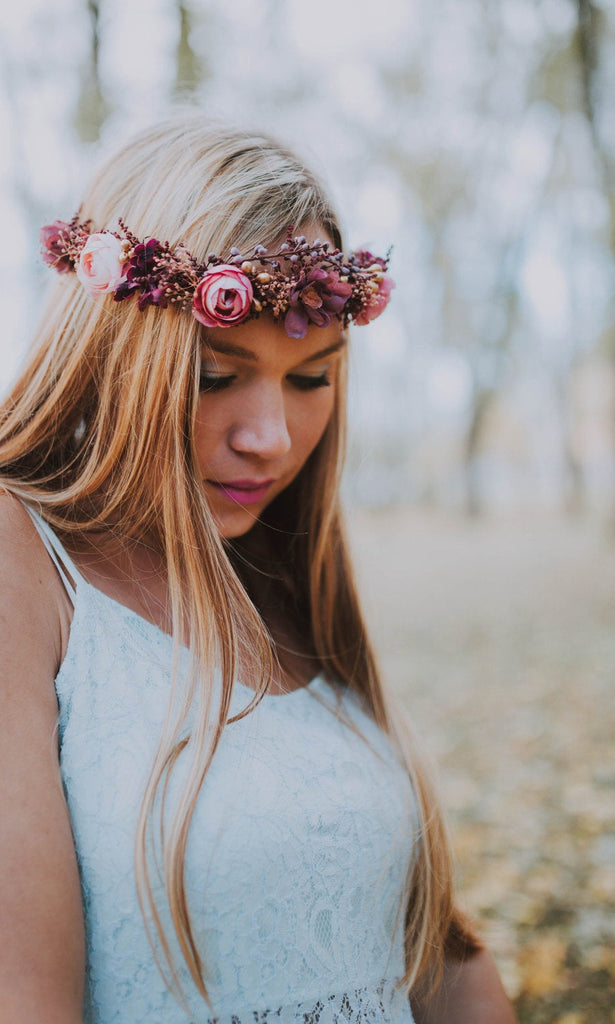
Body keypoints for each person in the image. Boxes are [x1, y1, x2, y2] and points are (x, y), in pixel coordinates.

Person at [0, 114, 516, 1024]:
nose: (270, 439)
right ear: (111, 352)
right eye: (212, 375)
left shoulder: (279, 579)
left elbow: (439, 957)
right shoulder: (26, 562)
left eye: (312, 378)